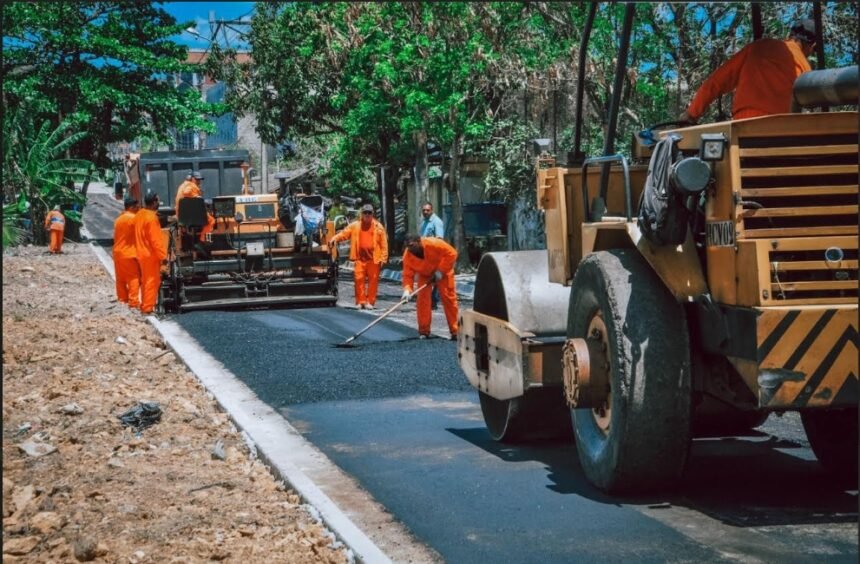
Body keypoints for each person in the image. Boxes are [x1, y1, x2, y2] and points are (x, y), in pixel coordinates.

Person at [679, 19, 816, 123]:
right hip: (782, 128)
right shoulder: (805, 67)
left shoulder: (760, 47)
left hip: (745, 124)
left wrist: (691, 114)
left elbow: (716, 82)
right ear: (812, 46)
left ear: (790, 35)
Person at [329, 203, 389, 310]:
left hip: (374, 259)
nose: (367, 215)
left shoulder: (378, 226)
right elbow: (344, 233)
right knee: (359, 280)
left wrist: (384, 258)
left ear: (372, 214)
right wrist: (335, 238)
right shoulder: (355, 225)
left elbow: (384, 244)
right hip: (360, 259)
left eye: (369, 213)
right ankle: (360, 301)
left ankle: (370, 302)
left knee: (373, 282)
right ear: (362, 214)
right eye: (365, 212)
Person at [401, 233, 459, 340]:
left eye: (412, 246)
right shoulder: (407, 256)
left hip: (443, 272)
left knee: (448, 298)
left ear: (419, 242)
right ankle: (424, 331)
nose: (410, 249)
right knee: (422, 300)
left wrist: (440, 271)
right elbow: (407, 275)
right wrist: (407, 290)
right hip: (425, 275)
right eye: (408, 247)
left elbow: (452, 253)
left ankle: (455, 331)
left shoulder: (433, 243)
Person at [134, 192, 168, 314]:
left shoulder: (140, 214)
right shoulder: (151, 218)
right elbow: (155, 241)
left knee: (145, 280)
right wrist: (163, 256)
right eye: (158, 201)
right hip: (150, 255)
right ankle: (148, 308)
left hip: (141, 253)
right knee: (151, 281)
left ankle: (145, 305)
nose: (159, 203)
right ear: (154, 203)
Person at [113, 197, 141, 309]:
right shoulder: (134, 219)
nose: (138, 208)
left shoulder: (118, 219)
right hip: (129, 253)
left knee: (120, 278)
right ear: (132, 207)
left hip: (117, 253)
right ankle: (134, 302)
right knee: (133, 278)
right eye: (137, 206)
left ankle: (122, 299)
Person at [419, 202, 445, 310]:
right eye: (424, 210)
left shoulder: (436, 222)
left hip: (435, 255)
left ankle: (433, 301)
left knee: (436, 280)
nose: (425, 212)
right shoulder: (424, 222)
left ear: (432, 210)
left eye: (427, 210)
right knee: (429, 279)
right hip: (426, 255)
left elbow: (439, 239)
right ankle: (430, 300)